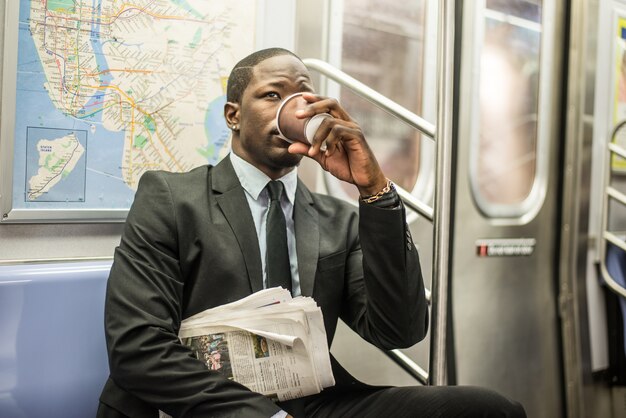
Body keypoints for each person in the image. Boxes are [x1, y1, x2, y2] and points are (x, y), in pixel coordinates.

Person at [97, 47, 526, 418]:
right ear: (233, 115)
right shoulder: (173, 197)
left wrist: (374, 190)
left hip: (314, 402)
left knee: (492, 409)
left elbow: (400, 330)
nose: (297, 108)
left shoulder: (338, 220)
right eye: (273, 95)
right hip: (201, 404)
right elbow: (138, 348)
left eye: (305, 97)